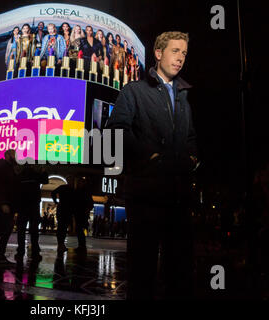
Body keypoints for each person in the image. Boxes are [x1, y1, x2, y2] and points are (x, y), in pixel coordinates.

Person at [106, 31, 198, 299]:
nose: (180, 58)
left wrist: (193, 158)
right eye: (175, 51)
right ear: (158, 54)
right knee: (142, 273)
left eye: (184, 53)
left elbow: (191, 137)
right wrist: (150, 156)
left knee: (179, 273)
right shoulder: (133, 91)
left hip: (179, 198)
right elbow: (117, 130)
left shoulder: (183, 98)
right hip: (146, 195)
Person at [15, 161, 49, 262]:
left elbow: (16, 189)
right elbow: (45, 180)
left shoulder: (20, 175)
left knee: (21, 230)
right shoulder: (35, 175)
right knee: (34, 231)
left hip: (22, 206)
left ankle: (20, 251)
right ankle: (35, 252)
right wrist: (44, 171)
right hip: (33, 206)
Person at [51, 176, 76, 254]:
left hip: (61, 208)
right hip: (67, 210)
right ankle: (61, 245)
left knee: (61, 228)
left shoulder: (63, 187)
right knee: (63, 228)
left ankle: (60, 245)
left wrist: (56, 201)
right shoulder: (73, 190)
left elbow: (53, 192)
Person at [73, 177, 94, 253]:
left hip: (82, 213)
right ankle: (81, 245)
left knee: (80, 229)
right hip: (79, 213)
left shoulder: (84, 192)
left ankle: (82, 246)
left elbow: (90, 204)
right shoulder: (80, 191)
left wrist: (87, 210)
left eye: (82, 182)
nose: (80, 183)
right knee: (79, 230)